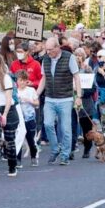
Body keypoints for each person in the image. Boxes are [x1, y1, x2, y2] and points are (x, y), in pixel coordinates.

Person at [37, 37, 82, 166]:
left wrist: (78, 96)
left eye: (50, 50)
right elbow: (44, 78)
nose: (48, 52)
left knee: (65, 128)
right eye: (46, 50)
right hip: (50, 98)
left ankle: (65, 155)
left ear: (57, 47)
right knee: (48, 124)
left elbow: (76, 77)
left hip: (65, 98)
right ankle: (55, 149)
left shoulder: (69, 57)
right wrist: (37, 93)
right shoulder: (45, 59)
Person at [14, 69, 39, 167]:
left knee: (31, 140)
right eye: (20, 80)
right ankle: (18, 160)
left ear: (26, 81)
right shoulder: (14, 91)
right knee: (18, 139)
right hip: (19, 119)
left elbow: (37, 103)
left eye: (23, 80)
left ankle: (33, 156)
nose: (21, 83)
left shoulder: (31, 90)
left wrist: (29, 100)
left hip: (29, 118)